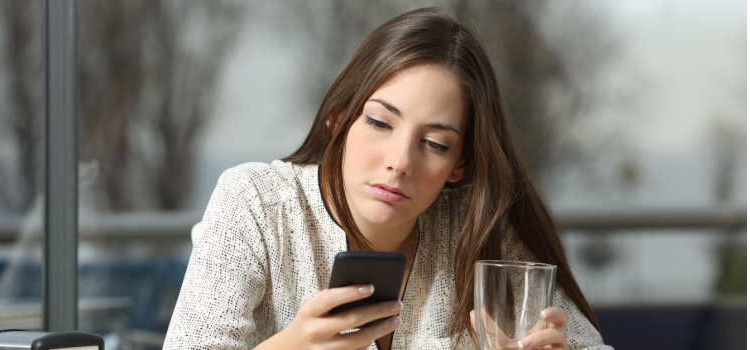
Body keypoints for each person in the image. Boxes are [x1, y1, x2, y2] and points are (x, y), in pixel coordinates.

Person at [164, 7, 612, 350]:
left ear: (460, 164)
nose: (400, 162)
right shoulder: (256, 203)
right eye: (380, 122)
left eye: (435, 144)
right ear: (339, 121)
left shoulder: (480, 230)